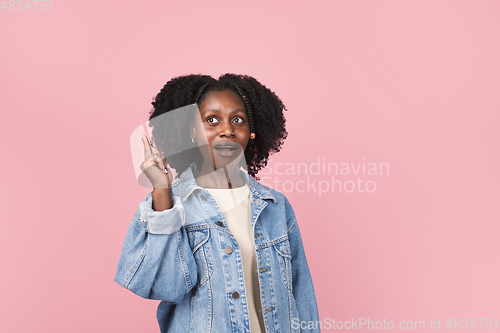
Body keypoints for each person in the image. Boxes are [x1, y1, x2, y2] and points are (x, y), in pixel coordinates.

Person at [115, 74, 320, 333]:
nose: (227, 130)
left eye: (238, 120)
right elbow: (165, 287)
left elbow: (302, 296)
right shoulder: (168, 204)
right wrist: (163, 192)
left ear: (251, 131)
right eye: (212, 120)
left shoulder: (276, 206)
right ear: (192, 131)